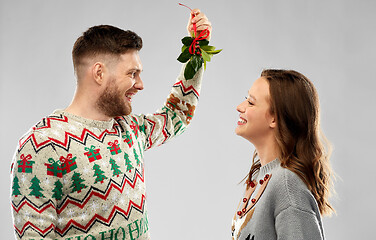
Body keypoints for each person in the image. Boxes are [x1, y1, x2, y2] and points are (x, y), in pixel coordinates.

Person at [10, 9, 212, 240]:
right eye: (132, 74)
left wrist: (196, 49)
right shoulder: (41, 145)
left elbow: (177, 115)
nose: (140, 84)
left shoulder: (129, 129)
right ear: (99, 73)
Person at [231, 70, 334, 240]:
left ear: (274, 118)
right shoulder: (261, 177)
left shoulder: (286, 186)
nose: (240, 107)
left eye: (250, 102)